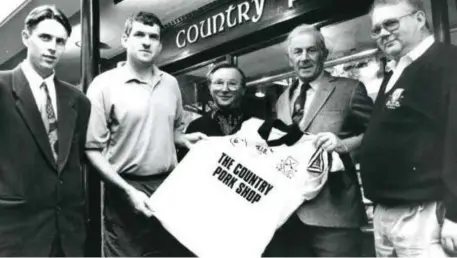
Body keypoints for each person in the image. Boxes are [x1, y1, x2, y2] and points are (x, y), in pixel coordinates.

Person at [85, 11, 206, 257]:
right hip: (123, 188)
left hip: (168, 188)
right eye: (139, 34)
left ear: (160, 46)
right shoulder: (103, 85)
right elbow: (91, 148)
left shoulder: (171, 84)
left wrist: (183, 139)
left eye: (153, 37)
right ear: (125, 40)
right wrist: (126, 190)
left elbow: (171, 130)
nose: (146, 41)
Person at [266, 24, 374, 257]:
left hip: (336, 217)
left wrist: (343, 145)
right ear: (289, 58)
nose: (304, 58)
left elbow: (379, 135)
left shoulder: (350, 89)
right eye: (298, 52)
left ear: (324, 54)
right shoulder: (283, 99)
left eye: (311, 50)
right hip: (289, 216)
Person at [359, 0, 457, 256]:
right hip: (385, 214)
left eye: (390, 23)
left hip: (424, 218)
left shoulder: (449, 63)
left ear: (420, 19)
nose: (382, 33)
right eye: (376, 29)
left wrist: (456, 216)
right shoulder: (396, 71)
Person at [0, 5, 91, 256]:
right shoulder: (2, 87)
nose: (53, 47)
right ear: (26, 38)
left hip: (67, 235)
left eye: (60, 41)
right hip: (15, 232)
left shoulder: (78, 101)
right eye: (45, 37)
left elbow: (74, 162)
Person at [185, 62, 251, 137]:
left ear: (243, 89)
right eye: (219, 83)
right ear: (210, 88)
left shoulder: (259, 126)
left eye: (232, 83)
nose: (225, 89)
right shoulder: (195, 127)